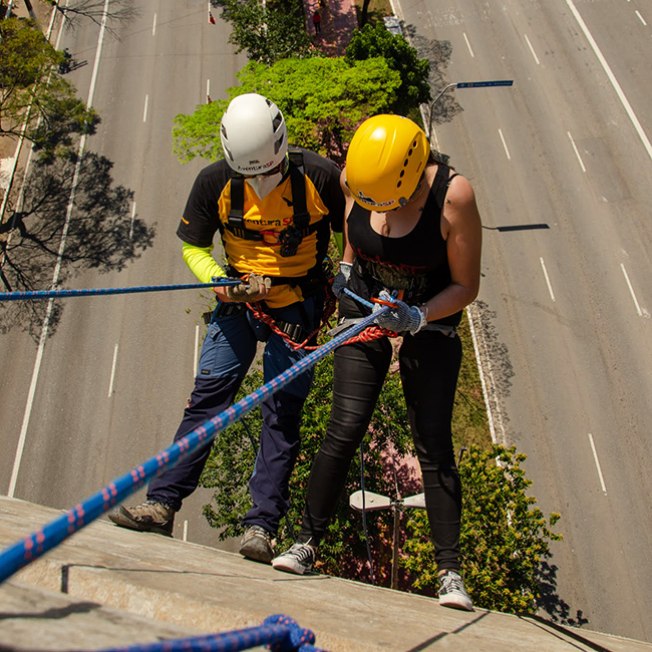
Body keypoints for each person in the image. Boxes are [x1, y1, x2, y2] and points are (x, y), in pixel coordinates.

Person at [109, 93, 345, 564]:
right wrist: (222, 283)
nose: (259, 183)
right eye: (249, 174)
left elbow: (354, 230)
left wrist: (346, 282)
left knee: (281, 413)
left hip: (297, 307)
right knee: (206, 402)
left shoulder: (318, 175)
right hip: (238, 305)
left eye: (268, 172)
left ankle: (261, 527)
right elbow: (194, 247)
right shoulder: (214, 181)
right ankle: (163, 504)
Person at [271, 114, 482, 611]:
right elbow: (355, 226)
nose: (382, 213)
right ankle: (306, 541)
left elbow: (467, 287)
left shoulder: (454, 197)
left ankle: (449, 571)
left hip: (429, 312)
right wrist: (347, 265)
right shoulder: (356, 178)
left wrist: (418, 315)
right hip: (365, 302)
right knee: (344, 427)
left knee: (431, 439)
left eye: (392, 203)